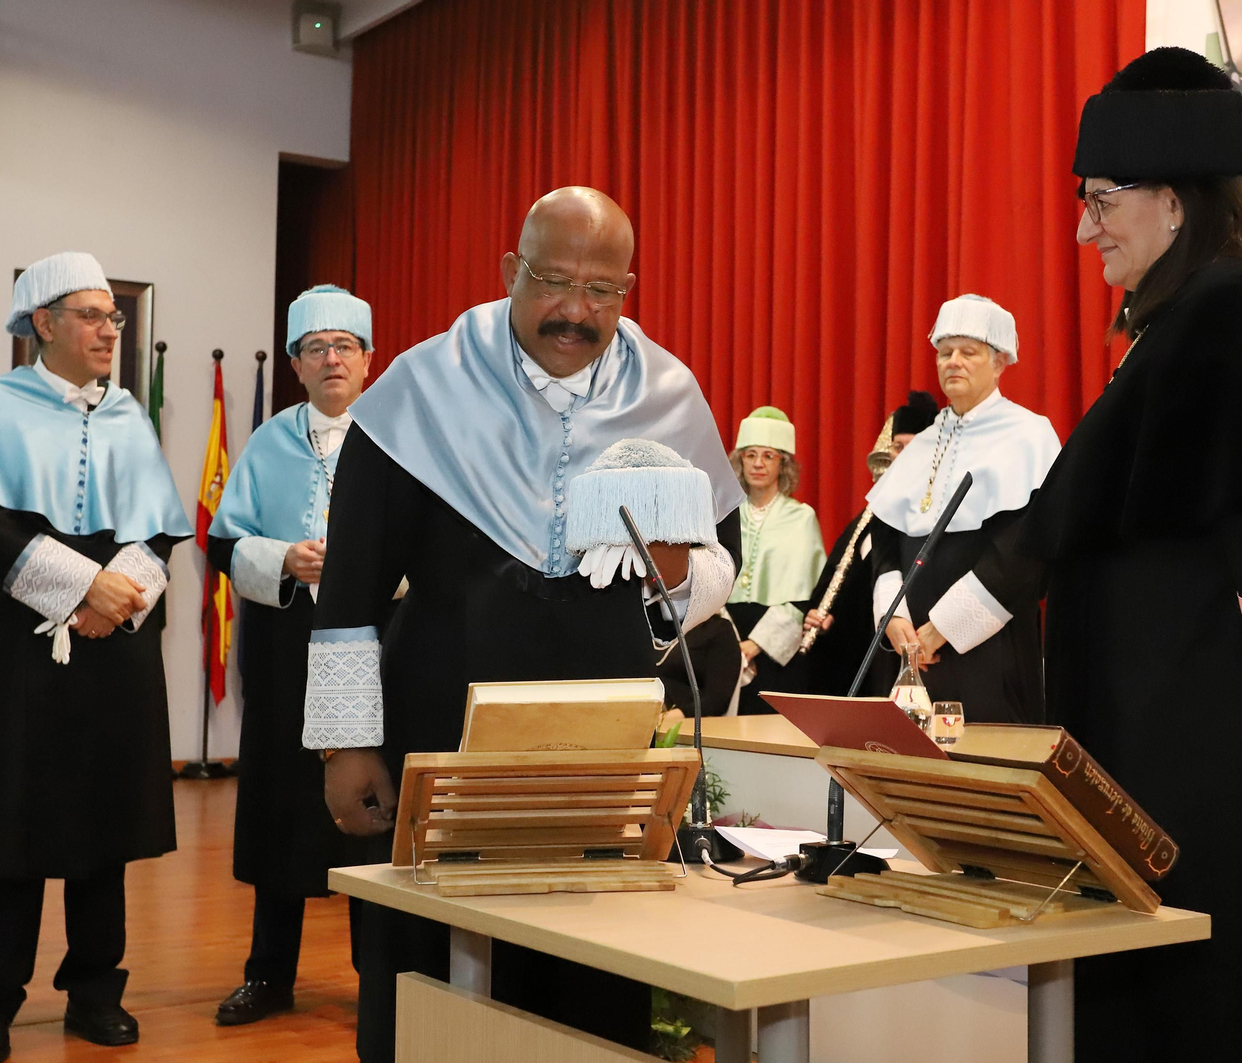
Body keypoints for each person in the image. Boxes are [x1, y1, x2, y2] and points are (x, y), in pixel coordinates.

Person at [967, 48, 1242, 1061]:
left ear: (1173, 200)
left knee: (1221, 1001)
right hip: (1160, 753)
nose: (1084, 227)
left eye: (1101, 199)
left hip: (1208, 766)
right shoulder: (1187, 323)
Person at [301, 187, 743, 1062]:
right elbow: (347, 592)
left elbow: (714, 574)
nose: (575, 312)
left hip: (599, 750)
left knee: (587, 981)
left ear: (628, 290)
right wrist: (347, 745)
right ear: (511, 270)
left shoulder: (669, 399)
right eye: (553, 282)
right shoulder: (418, 391)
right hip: (437, 732)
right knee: (426, 986)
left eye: (603, 291)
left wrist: (675, 569)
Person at [0, 252, 193, 1063]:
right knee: (11, 820)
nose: (111, 329)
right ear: (43, 323)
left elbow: (161, 527)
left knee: (104, 821)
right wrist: (77, 588)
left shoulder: (129, 415)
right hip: (16, 647)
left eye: (116, 316)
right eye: (94, 315)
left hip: (115, 645)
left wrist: (120, 596)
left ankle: (97, 992)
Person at [204, 285, 373, 1026]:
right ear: (298, 367)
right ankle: (269, 973)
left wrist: (367, 563)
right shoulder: (269, 440)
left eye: (344, 346)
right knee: (279, 805)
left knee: (374, 809)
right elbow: (221, 542)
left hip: (373, 648)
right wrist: (283, 557)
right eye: (315, 348)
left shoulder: (398, 437)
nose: (330, 358)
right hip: (284, 655)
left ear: (369, 360)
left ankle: (383, 977)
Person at [865, 296, 1060, 724]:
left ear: (1000, 361)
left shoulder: (1028, 435)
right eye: (944, 352)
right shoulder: (923, 441)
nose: (953, 362)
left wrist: (943, 629)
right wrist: (893, 618)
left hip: (987, 651)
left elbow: (1024, 552)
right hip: (907, 647)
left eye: (968, 352)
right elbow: (883, 537)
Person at [800, 391, 938, 696]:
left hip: (903, 655)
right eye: (897, 447)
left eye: (912, 447)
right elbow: (841, 576)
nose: (903, 456)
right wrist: (818, 613)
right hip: (854, 659)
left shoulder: (934, 513)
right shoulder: (870, 514)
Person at [723, 407, 827, 714]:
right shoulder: (725, 517)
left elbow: (802, 600)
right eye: (750, 454)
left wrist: (756, 646)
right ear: (739, 460)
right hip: (726, 642)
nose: (758, 464)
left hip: (779, 650)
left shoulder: (801, 517)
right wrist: (727, 648)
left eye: (768, 455)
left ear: (783, 464)